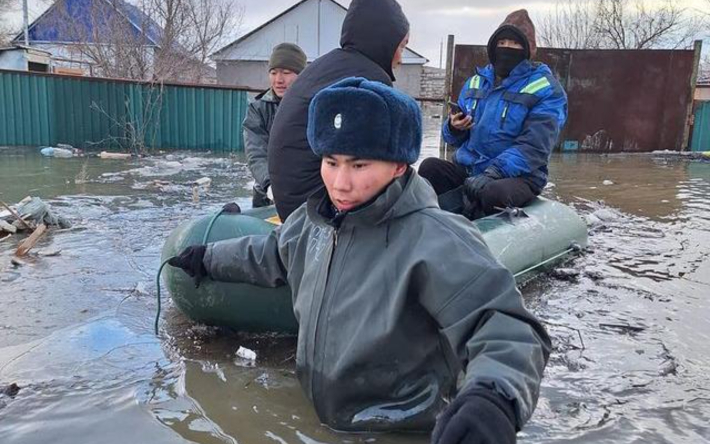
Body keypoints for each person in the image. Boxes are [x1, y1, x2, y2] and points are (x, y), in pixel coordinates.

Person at [168, 77, 551, 442]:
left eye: (359, 165)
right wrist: (208, 258)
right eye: (331, 162)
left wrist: (494, 397)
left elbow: (505, 325)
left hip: (398, 431)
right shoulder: (314, 221)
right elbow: (269, 253)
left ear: (399, 165)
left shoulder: (435, 239)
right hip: (321, 420)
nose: (340, 183)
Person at [267, 0, 411, 221]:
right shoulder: (369, 79)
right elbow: (376, 158)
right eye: (401, 46)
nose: (400, 58)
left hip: (291, 201)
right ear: (385, 41)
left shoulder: (327, 64)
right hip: (316, 207)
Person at [419, 9, 568, 220]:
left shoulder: (546, 90)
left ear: (527, 49)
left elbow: (534, 148)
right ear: (493, 46)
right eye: (503, 42)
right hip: (471, 170)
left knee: (494, 193)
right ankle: (441, 221)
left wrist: (494, 172)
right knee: (430, 167)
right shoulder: (476, 82)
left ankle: (478, 227)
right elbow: (450, 137)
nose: (507, 48)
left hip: (517, 176)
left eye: (515, 44)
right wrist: (454, 127)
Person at [243, 43, 307, 208]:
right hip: (267, 194)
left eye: (286, 73)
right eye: (273, 73)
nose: (279, 80)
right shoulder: (257, 109)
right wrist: (269, 185)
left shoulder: (313, 105)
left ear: (301, 75)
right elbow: (256, 153)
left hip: (306, 194)